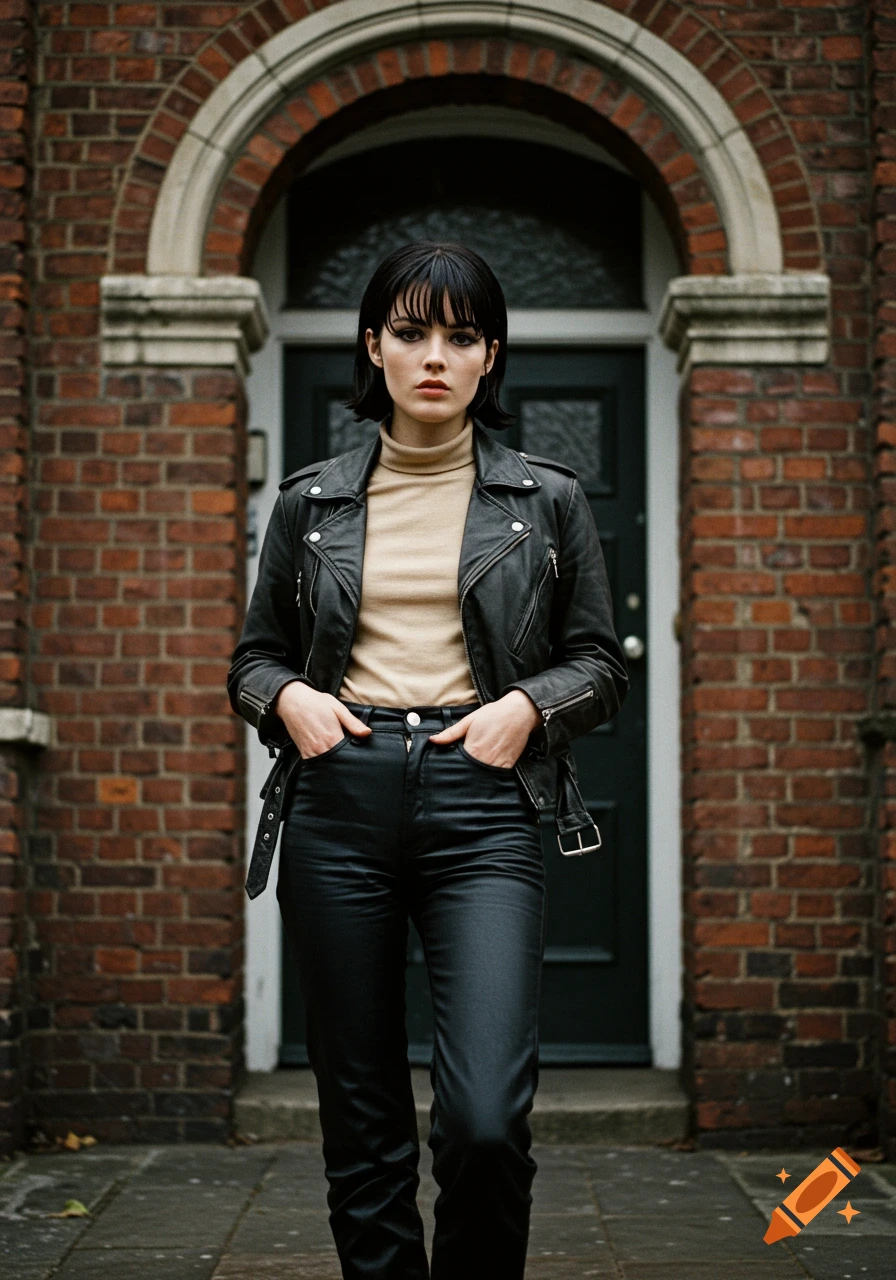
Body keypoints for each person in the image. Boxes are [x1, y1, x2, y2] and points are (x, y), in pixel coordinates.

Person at [227, 241, 628, 1279]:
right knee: (360, 1120)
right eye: (410, 332)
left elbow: (599, 663)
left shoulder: (546, 500)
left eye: (460, 335)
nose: (434, 355)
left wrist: (526, 709)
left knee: (486, 1118)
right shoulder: (311, 503)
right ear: (373, 346)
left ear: (490, 355)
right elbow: (253, 659)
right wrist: (292, 699)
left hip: (483, 801)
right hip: (339, 797)